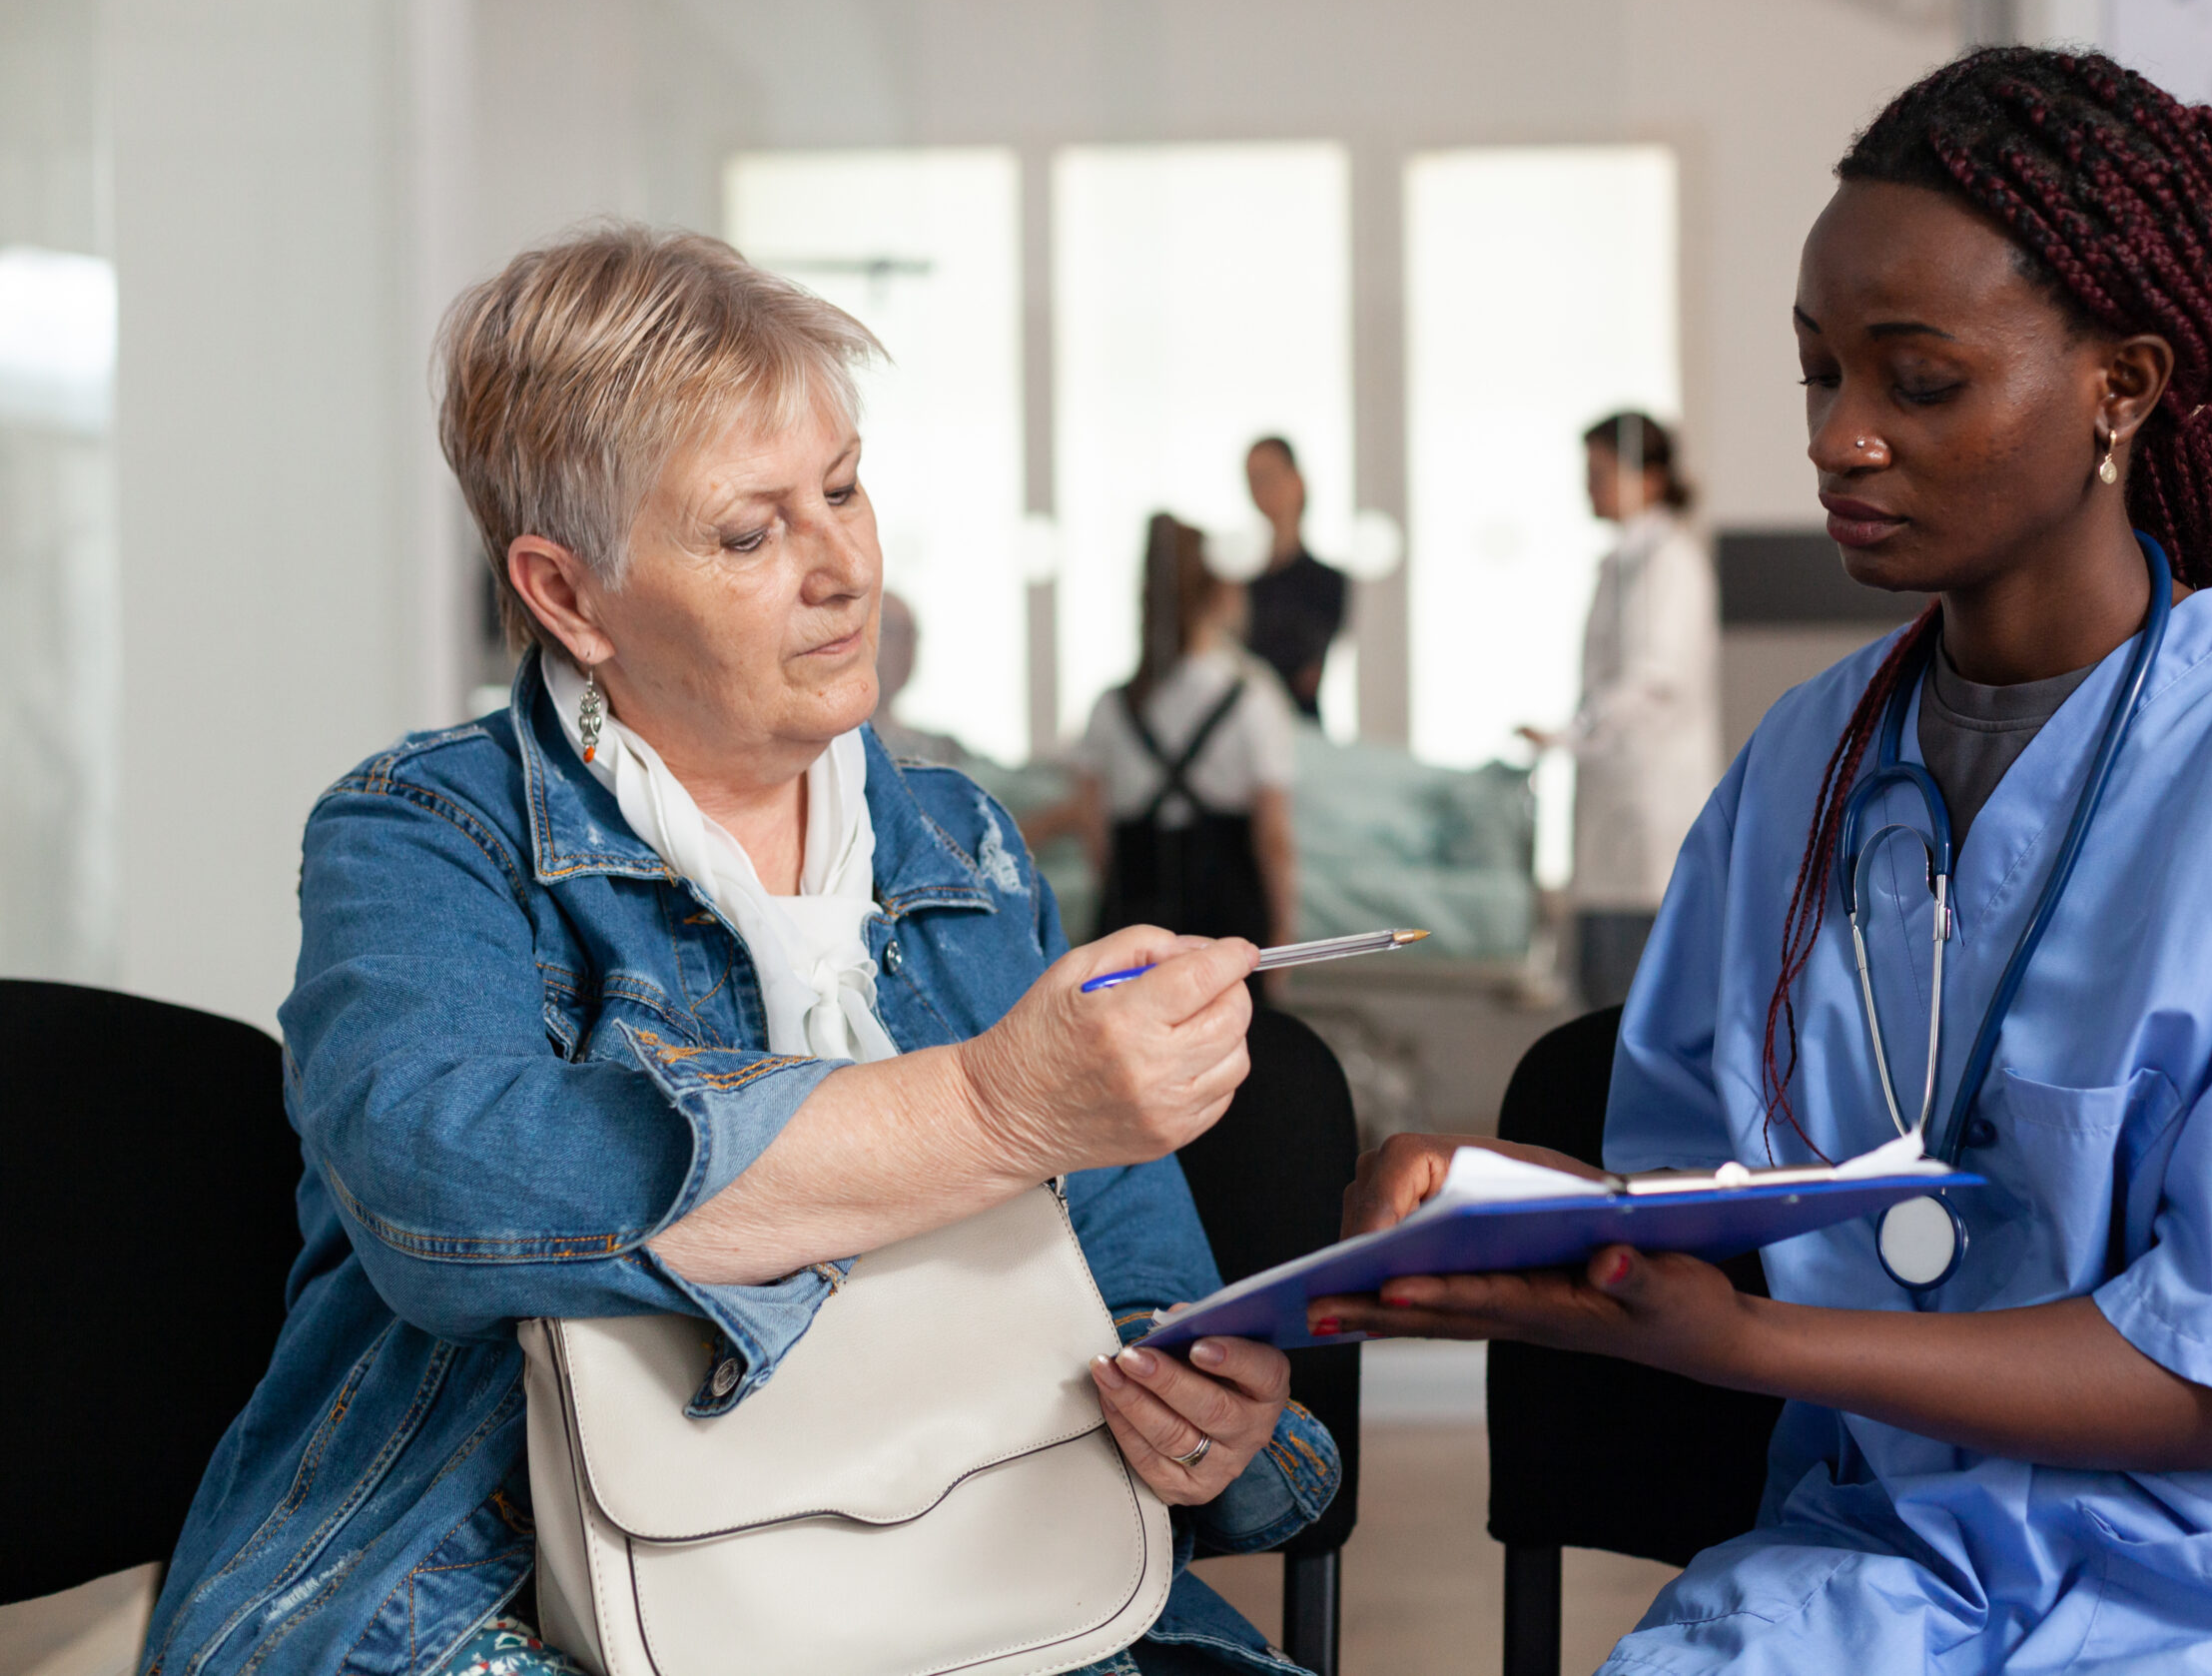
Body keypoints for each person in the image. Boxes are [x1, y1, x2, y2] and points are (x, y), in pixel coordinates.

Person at [1313, 47, 2212, 1671]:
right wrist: (1491, 1196)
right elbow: (1707, 1205)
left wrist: (1755, 1341)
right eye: (1821, 375)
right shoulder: (1797, 777)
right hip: (1882, 1561)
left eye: (1920, 381)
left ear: (2124, 384)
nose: (1844, 439)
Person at [143, 226, 1336, 1676]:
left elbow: (1139, 1285)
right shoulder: (424, 828)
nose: (845, 569)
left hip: (985, 1564)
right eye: (750, 532)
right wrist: (986, 1113)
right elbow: (433, 1175)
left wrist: (1203, 1407)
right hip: (496, 1576)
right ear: (569, 594)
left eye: (844, 487)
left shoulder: (963, 844)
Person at [1522, 413, 1720, 1010]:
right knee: (1605, 990)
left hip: (1650, 811)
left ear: (1651, 477)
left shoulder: (1670, 562)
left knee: (1638, 994)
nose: (1589, 487)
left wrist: (1570, 733)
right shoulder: (1623, 562)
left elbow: (1654, 682)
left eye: (1600, 472)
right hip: (1614, 806)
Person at [1076, 513, 1298, 959]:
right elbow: (1272, 836)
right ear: (1219, 593)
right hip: (1228, 913)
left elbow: (1092, 828)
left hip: (1130, 912)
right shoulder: (1253, 697)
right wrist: (1284, 929)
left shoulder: (1111, 705)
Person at [1241, 435, 1347, 723]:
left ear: (1296, 481)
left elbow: (1304, 674)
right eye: (1253, 479)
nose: (1261, 489)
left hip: (1298, 732)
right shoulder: (1242, 586)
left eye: (1268, 476)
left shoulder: (1327, 582)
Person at [869, 588, 972, 765]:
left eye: (910, 634)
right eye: (891, 631)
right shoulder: (835, 744)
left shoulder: (943, 749)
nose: (904, 648)